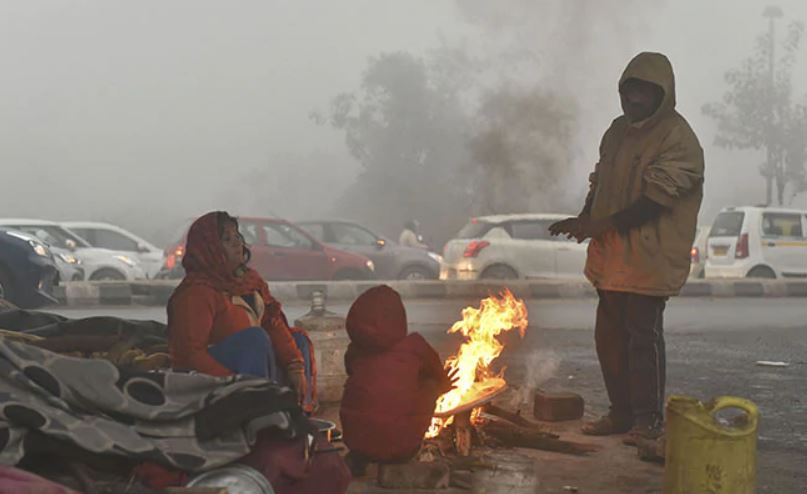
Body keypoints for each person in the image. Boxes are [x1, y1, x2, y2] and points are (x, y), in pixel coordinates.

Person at [550, 52, 704, 445]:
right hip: (612, 256)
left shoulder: (678, 137)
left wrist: (600, 225)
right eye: (628, 91)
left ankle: (647, 421)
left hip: (650, 258)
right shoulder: (617, 131)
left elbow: (656, 200)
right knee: (608, 337)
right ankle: (620, 413)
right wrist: (584, 220)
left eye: (643, 93)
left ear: (662, 95)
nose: (633, 100)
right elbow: (599, 181)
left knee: (642, 338)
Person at [167, 211, 315, 412]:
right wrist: (235, 383)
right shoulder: (196, 293)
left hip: (255, 367)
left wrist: (295, 366)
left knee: (298, 341)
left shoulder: (249, 282)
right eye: (227, 239)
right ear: (209, 249)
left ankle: (296, 413)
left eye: (237, 236)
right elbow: (191, 356)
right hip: (214, 379)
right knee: (254, 339)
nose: (237, 243)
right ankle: (258, 413)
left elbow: (272, 322)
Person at [339, 285, 454, 476]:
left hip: (356, 442)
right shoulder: (416, 346)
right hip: (400, 449)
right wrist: (441, 386)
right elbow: (438, 377)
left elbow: (351, 371)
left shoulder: (355, 350)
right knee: (430, 384)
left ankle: (362, 458)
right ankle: (398, 455)